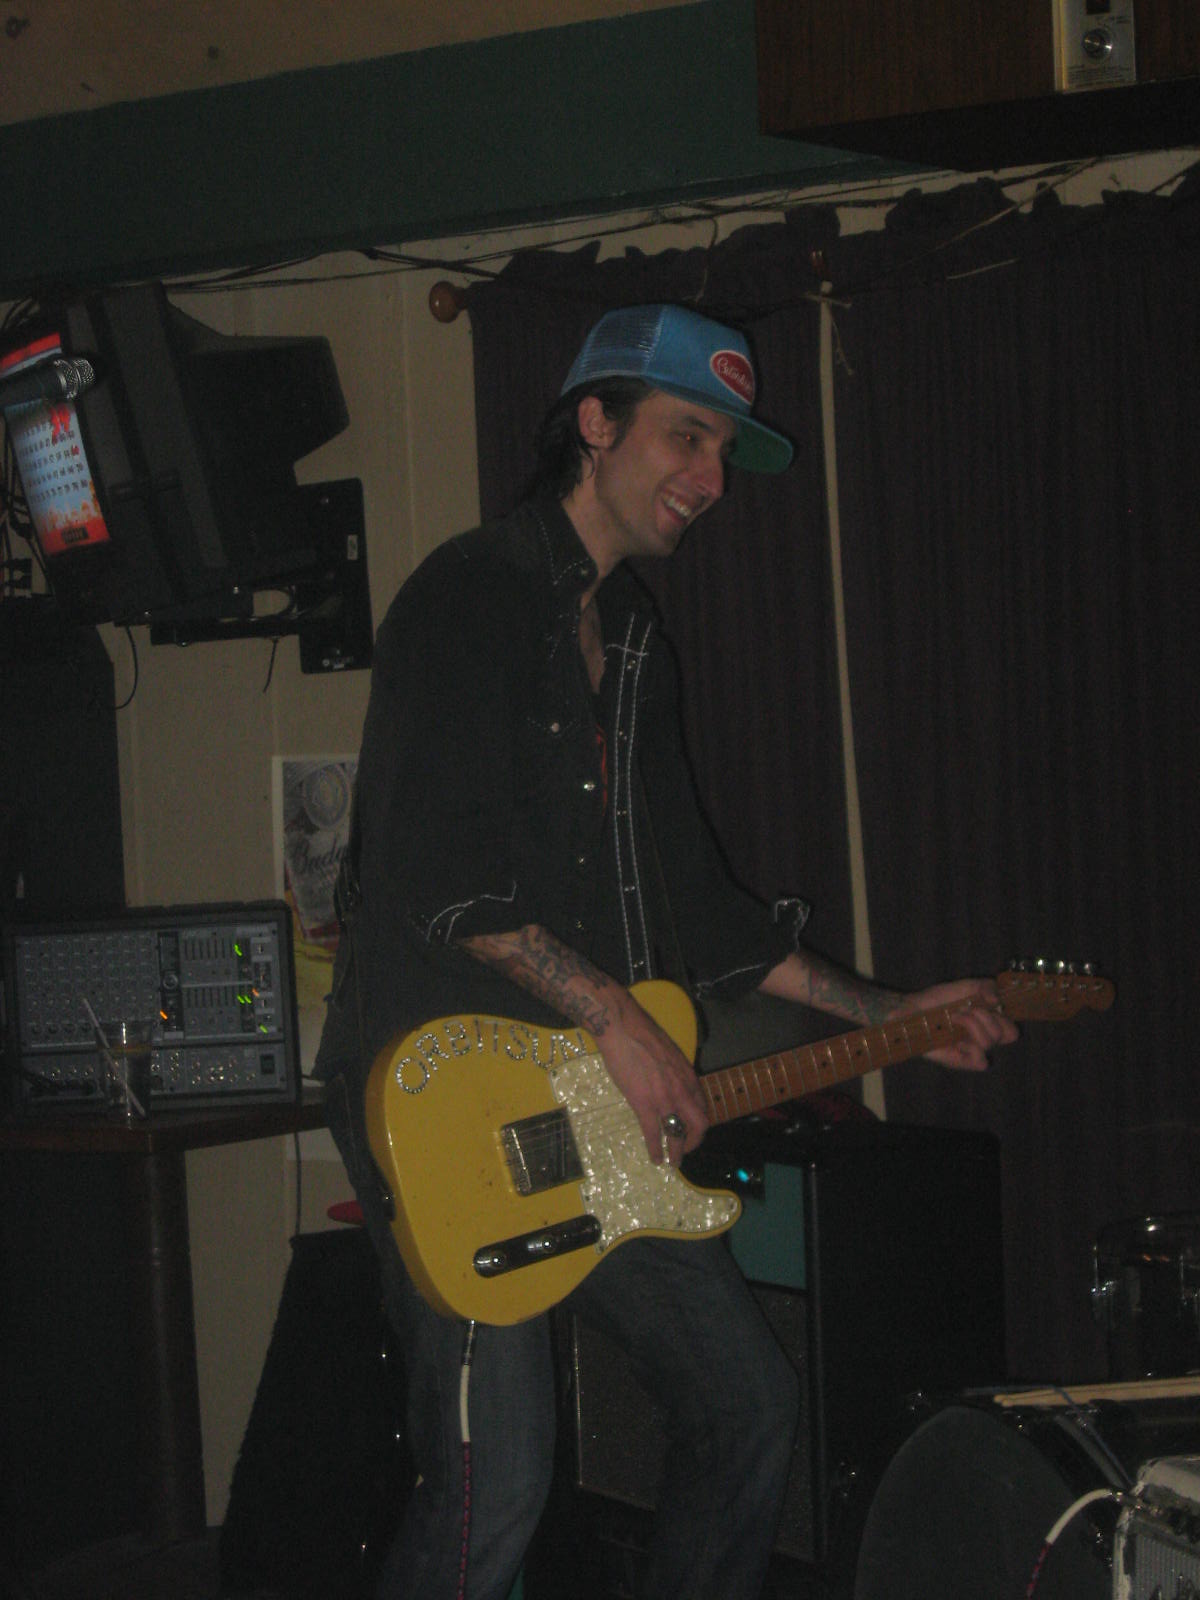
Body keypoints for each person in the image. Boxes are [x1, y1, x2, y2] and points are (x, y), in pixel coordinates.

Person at [314, 302, 1017, 1600]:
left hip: (588, 1090)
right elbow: (437, 884)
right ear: (594, 423)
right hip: (438, 1096)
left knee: (747, 1404)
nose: (710, 479)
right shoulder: (469, 594)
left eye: (725, 453)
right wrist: (622, 1024)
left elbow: (703, 911)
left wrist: (893, 1010)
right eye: (687, 437)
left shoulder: (635, 638)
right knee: (494, 1483)